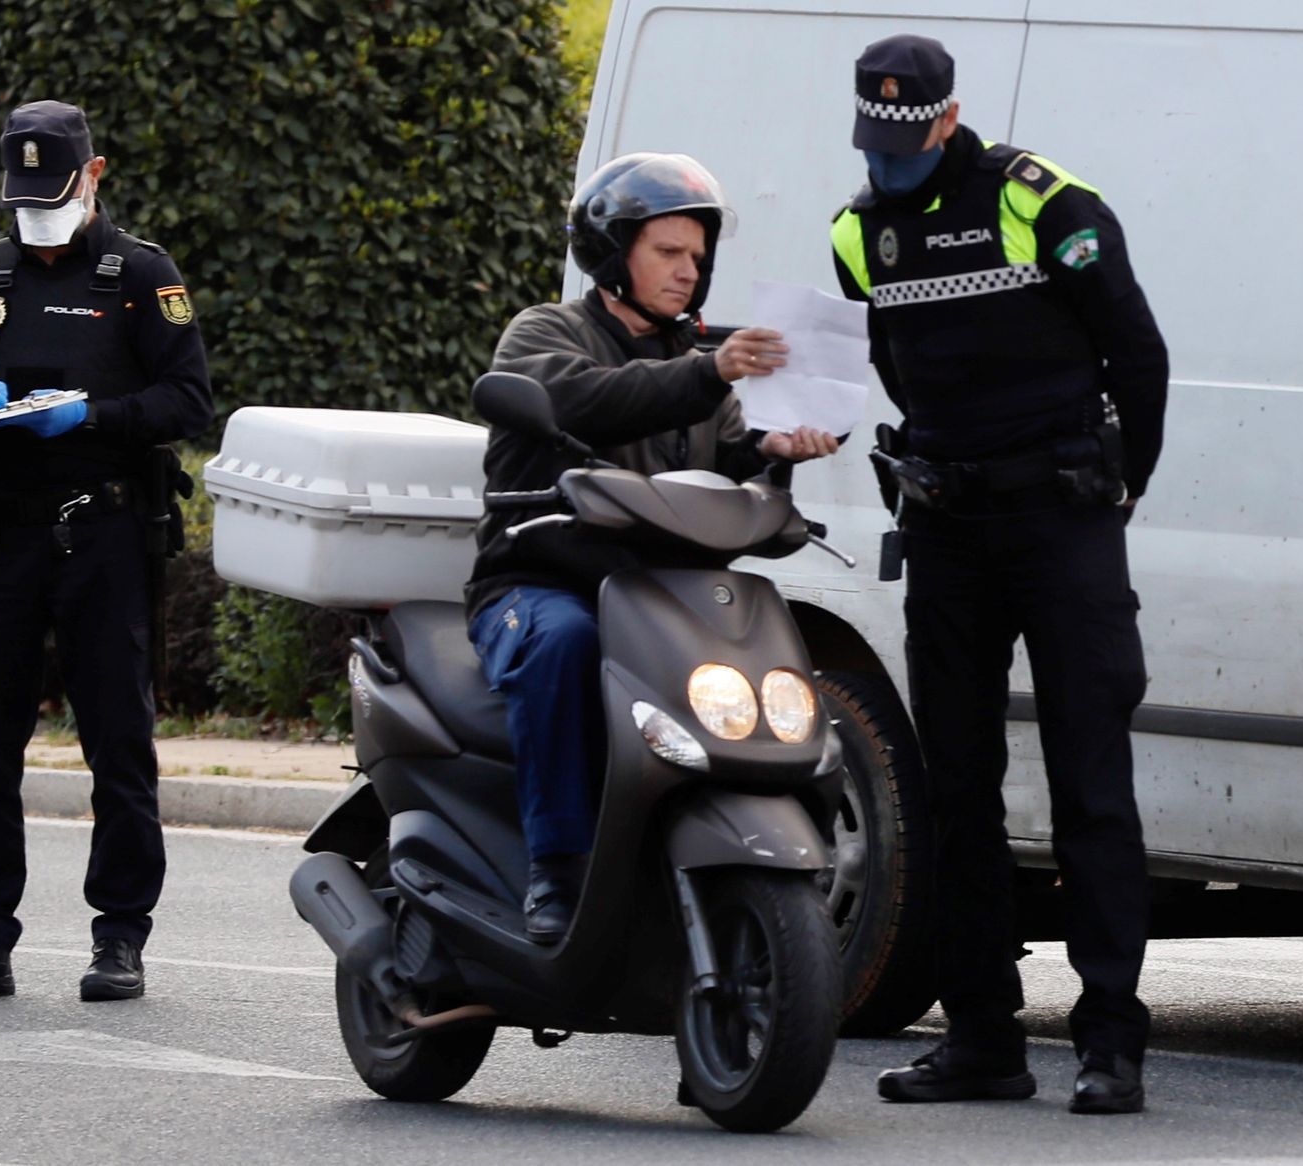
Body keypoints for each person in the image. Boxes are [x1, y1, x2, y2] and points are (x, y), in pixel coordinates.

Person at [829, 35, 1168, 1114]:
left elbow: (1137, 352)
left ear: (947, 115)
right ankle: (983, 1037)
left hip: (1060, 522)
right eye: (870, 139)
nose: (888, 159)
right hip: (948, 530)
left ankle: (1111, 1040)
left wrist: (1124, 486)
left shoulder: (1045, 205)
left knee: (1089, 782)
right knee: (956, 787)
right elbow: (888, 364)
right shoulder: (856, 232)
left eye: (905, 136)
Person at [465, 152, 837, 943]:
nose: (686, 272)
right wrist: (708, 373)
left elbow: (732, 460)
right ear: (610, 249)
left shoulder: (691, 361)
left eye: (697, 258)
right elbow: (585, 399)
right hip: (539, 587)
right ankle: (557, 868)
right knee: (565, 643)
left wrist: (779, 450)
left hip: (662, 597)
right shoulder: (546, 331)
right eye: (668, 252)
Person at [0, 100, 212, 1002]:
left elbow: (187, 401)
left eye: (56, 191)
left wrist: (92, 415)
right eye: (23, 196)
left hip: (103, 532)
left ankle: (119, 936)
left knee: (118, 740)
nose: (38, 215)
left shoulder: (139, 276)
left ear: (95, 174)